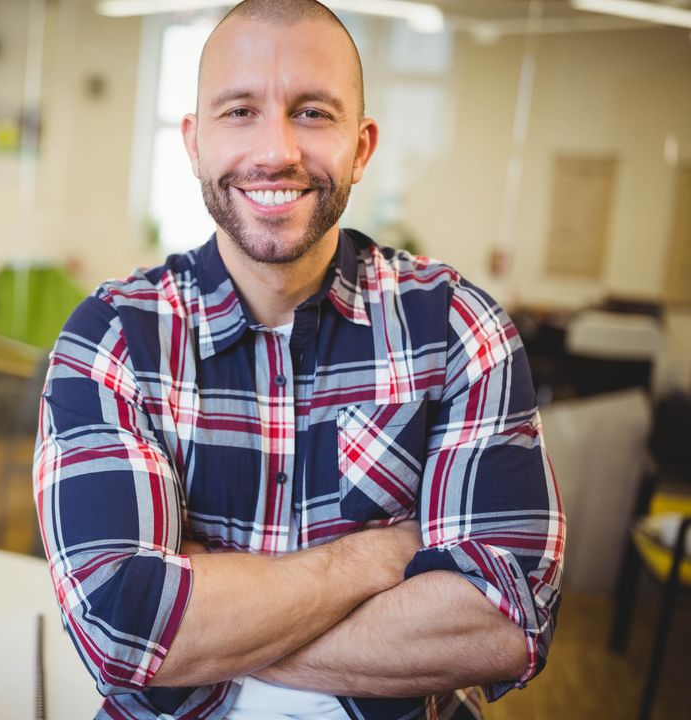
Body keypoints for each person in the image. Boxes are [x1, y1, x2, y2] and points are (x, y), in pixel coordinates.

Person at [33, 1, 564, 718]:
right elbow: (121, 628)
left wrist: (206, 617)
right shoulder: (114, 338)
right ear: (193, 144)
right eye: (239, 111)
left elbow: (505, 617)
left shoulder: (457, 329)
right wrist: (374, 559)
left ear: (362, 147)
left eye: (313, 113)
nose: (276, 149)